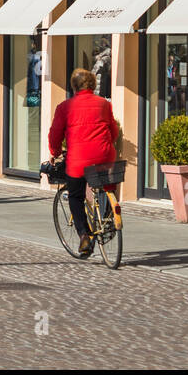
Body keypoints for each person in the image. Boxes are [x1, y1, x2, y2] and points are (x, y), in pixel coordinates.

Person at [47, 68, 120, 256]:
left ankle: (84, 236)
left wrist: (54, 153)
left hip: (78, 160)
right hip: (105, 156)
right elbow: (114, 131)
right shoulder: (103, 104)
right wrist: (104, 144)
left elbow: (55, 134)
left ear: (73, 86)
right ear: (93, 85)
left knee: (75, 196)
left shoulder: (65, 107)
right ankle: (110, 216)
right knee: (108, 186)